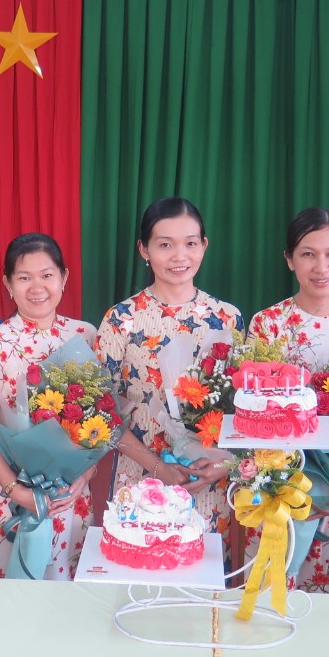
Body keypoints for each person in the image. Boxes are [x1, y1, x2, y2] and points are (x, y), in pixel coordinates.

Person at [95, 197, 242, 538]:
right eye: (165, 245)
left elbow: (244, 409)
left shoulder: (227, 318)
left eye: (190, 243)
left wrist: (224, 464)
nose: (179, 256)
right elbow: (103, 411)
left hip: (207, 480)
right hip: (140, 478)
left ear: (204, 246)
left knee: (204, 566)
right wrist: (158, 467)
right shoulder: (121, 319)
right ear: (143, 250)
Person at [246, 207, 329, 595]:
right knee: (268, 590)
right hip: (275, 487)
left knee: (325, 595)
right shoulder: (266, 325)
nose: (321, 267)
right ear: (289, 259)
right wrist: (275, 481)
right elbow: (250, 411)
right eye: (307, 254)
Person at [0, 234, 98, 579]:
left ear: (64, 278)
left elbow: (103, 419)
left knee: (70, 593)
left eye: (47, 275)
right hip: (16, 496)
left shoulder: (85, 335)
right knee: (17, 595)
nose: (37, 287)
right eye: (24, 277)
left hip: (72, 496)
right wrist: (17, 490)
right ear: (8, 284)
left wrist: (86, 474)